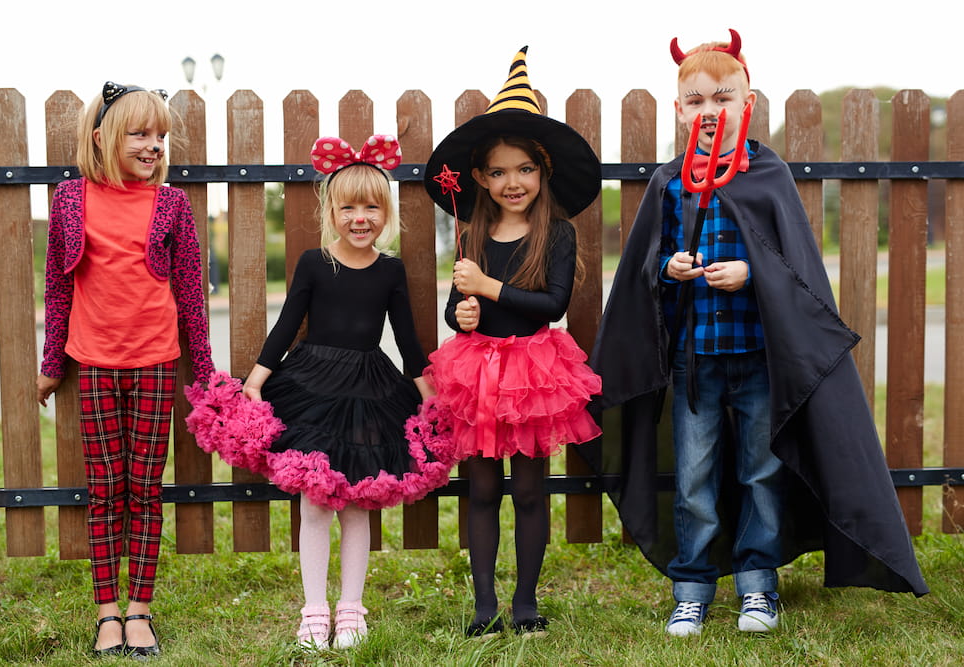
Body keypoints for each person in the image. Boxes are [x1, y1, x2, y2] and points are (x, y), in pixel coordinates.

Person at [587, 29, 928, 637]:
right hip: (695, 363)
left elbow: (793, 266)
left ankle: (757, 587)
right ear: (678, 109)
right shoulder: (670, 182)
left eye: (723, 98)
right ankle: (691, 588)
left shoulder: (767, 173)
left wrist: (751, 272)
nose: (710, 112)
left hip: (760, 361)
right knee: (693, 481)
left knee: (761, 474)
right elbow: (649, 263)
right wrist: (669, 267)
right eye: (695, 101)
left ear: (747, 102)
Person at [189, 134, 455, 650]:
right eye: (349, 207)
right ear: (331, 211)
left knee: (357, 503)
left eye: (372, 207)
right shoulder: (315, 263)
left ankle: (351, 611)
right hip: (310, 384)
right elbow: (288, 325)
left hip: (370, 391)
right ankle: (314, 610)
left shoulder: (390, 270)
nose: (361, 217)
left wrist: (427, 393)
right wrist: (257, 381)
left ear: (386, 213)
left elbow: (407, 340)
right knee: (315, 504)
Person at [423, 47, 603, 638]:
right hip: (478, 373)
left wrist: (489, 287)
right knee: (480, 490)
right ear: (479, 179)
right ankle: (483, 605)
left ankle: (525, 602)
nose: (512, 182)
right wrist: (465, 312)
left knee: (528, 489)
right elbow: (457, 309)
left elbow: (552, 305)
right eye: (498, 172)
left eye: (524, 169)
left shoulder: (557, 233)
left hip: (532, 372)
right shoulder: (473, 230)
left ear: (542, 172)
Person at [36, 81, 214, 657]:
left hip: (156, 362)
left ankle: (141, 608)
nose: (154, 145)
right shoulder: (71, 200)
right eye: (140, 133)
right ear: (102, 138)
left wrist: (205, 369)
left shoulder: (170, 205)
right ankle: (106, 611)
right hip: (94, 364)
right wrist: (49, 361)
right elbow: (58, 286)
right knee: (106, 486)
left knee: (144, 486)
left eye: (160, 136)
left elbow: (191, 289)